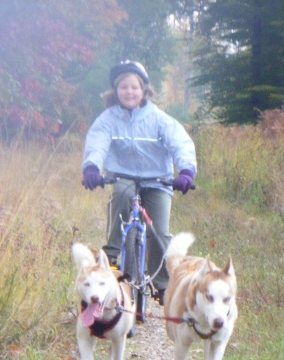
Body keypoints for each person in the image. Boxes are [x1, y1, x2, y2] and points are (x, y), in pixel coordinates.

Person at [81, 60, 197, 308]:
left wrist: (185, 172)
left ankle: (164, 285)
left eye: (134, 87)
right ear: (116, 91)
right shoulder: (108, 119)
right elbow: (97, 143)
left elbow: (180, 143)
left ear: (144, 90)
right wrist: (92, 168)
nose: (129, 92)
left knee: (159, 232)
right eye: (124, 87)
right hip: (121, 176)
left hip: (158, 180)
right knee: (121, 195)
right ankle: (112, 256)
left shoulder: (158, 118)